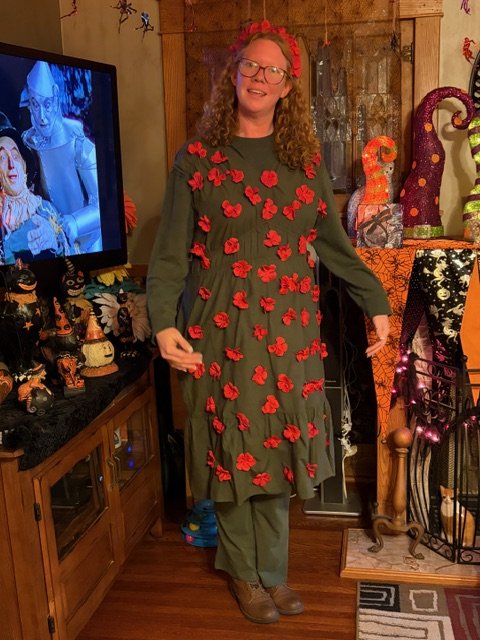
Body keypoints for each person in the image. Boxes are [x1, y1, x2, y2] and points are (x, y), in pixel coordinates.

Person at [147, 20, 391, 625]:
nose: (260, 77)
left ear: (287, 87)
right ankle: (244, 573)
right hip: (218, 332)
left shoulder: (303, 163)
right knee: (232, 449)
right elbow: (170, 254)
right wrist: (163, 322)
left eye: (273, 70)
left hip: (289, 335)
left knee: (278, 449)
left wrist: (376, 302)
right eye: (251, 65)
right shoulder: (196, 160)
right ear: (233, 75)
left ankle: (275, 573)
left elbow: (334, 246)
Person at [21, 60, 101, 253]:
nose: (42, 116)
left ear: (56, 98)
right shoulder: (27, 142)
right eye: (35, 105)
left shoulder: (78, 143)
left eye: (47, 104)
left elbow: (102, 205)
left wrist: (71, 223)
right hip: (50, 246)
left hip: (87, 245)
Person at [0, 113, 71, 265]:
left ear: (25, 164)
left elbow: (71, 259)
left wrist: (56, 241)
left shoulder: (46, 209)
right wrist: (11, 245)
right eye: (2, 158)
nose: (12, 164)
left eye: (15, 155)